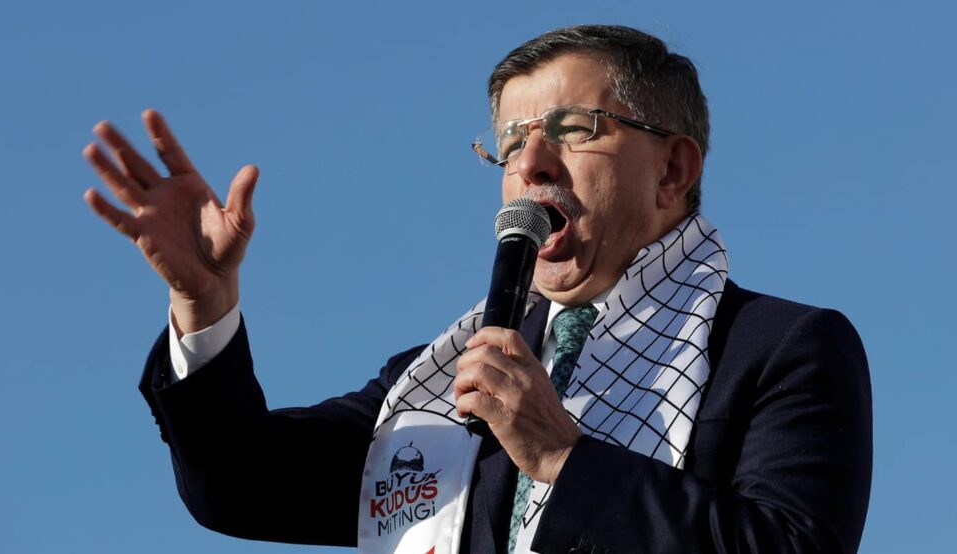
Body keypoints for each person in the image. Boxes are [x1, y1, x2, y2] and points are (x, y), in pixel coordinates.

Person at [84, 25, 872, 554]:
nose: (530, 166)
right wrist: (205, 306)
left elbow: (791, 545)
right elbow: (241, 487)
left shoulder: (779, 350)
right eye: (509, 145)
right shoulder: (441, 380)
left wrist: (561, 454)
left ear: (673, 169)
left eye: (573, 129)